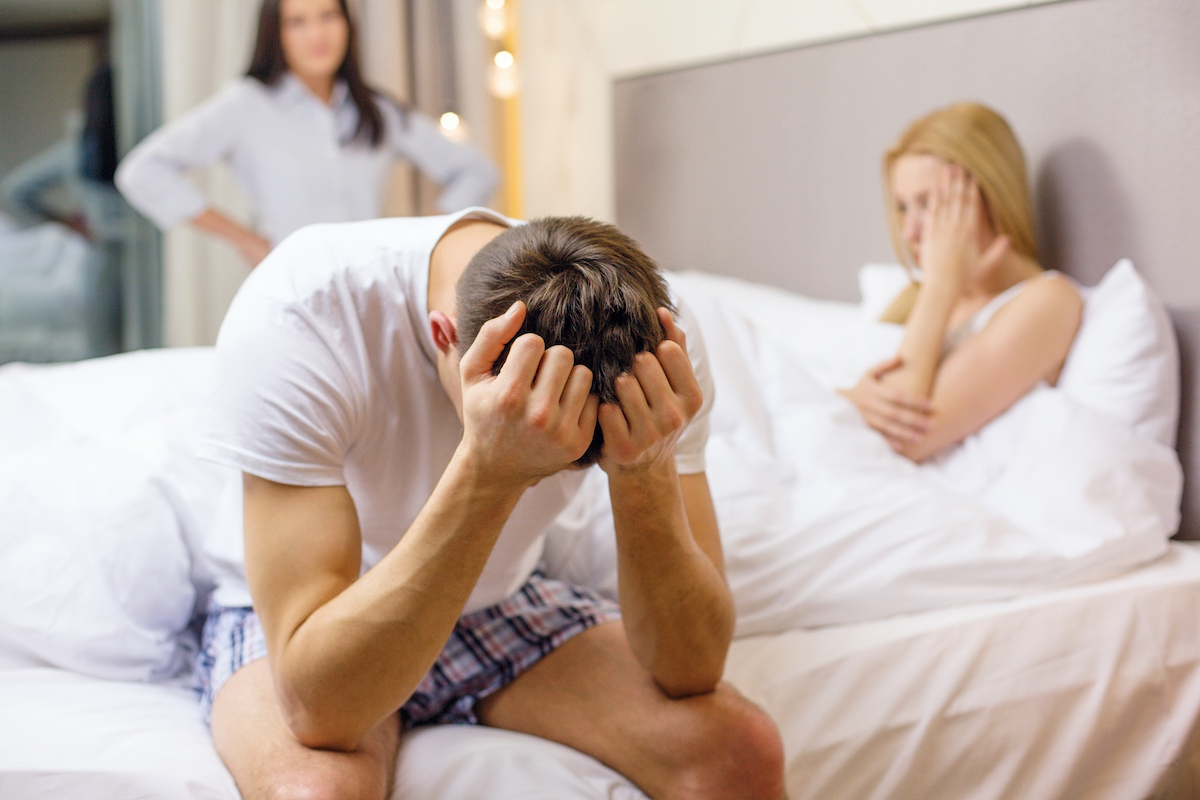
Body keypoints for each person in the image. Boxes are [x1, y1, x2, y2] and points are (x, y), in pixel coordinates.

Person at [194, 208, 787, 800]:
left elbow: (692, 669)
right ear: (443, 336)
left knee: (743, 751)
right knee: (311, 793)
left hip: (496, 602)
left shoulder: (655, 341)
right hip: (317, 616)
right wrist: (488, 471)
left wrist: (645, 468)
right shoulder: (305, 312)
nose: (547, 471)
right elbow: (321, 711)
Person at [115, 0, 498, 268]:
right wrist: (244, 239)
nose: (317, 33)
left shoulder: (377, 110)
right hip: (291, 291)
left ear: (347, 23)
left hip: (373, 289)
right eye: (296, 21)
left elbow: (478, 171)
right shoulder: (246, 105)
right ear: (275, 32)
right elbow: (142, 172)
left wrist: (423, 233)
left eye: (328, 15)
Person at [841, 102, 1083, 462]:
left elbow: (903, 438)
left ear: (989, 198)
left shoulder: (1049, 301)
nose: (911, 231)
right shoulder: (913, 295)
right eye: (903, 207)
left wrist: (941, 284)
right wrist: (851, 398)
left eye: (929, 203)